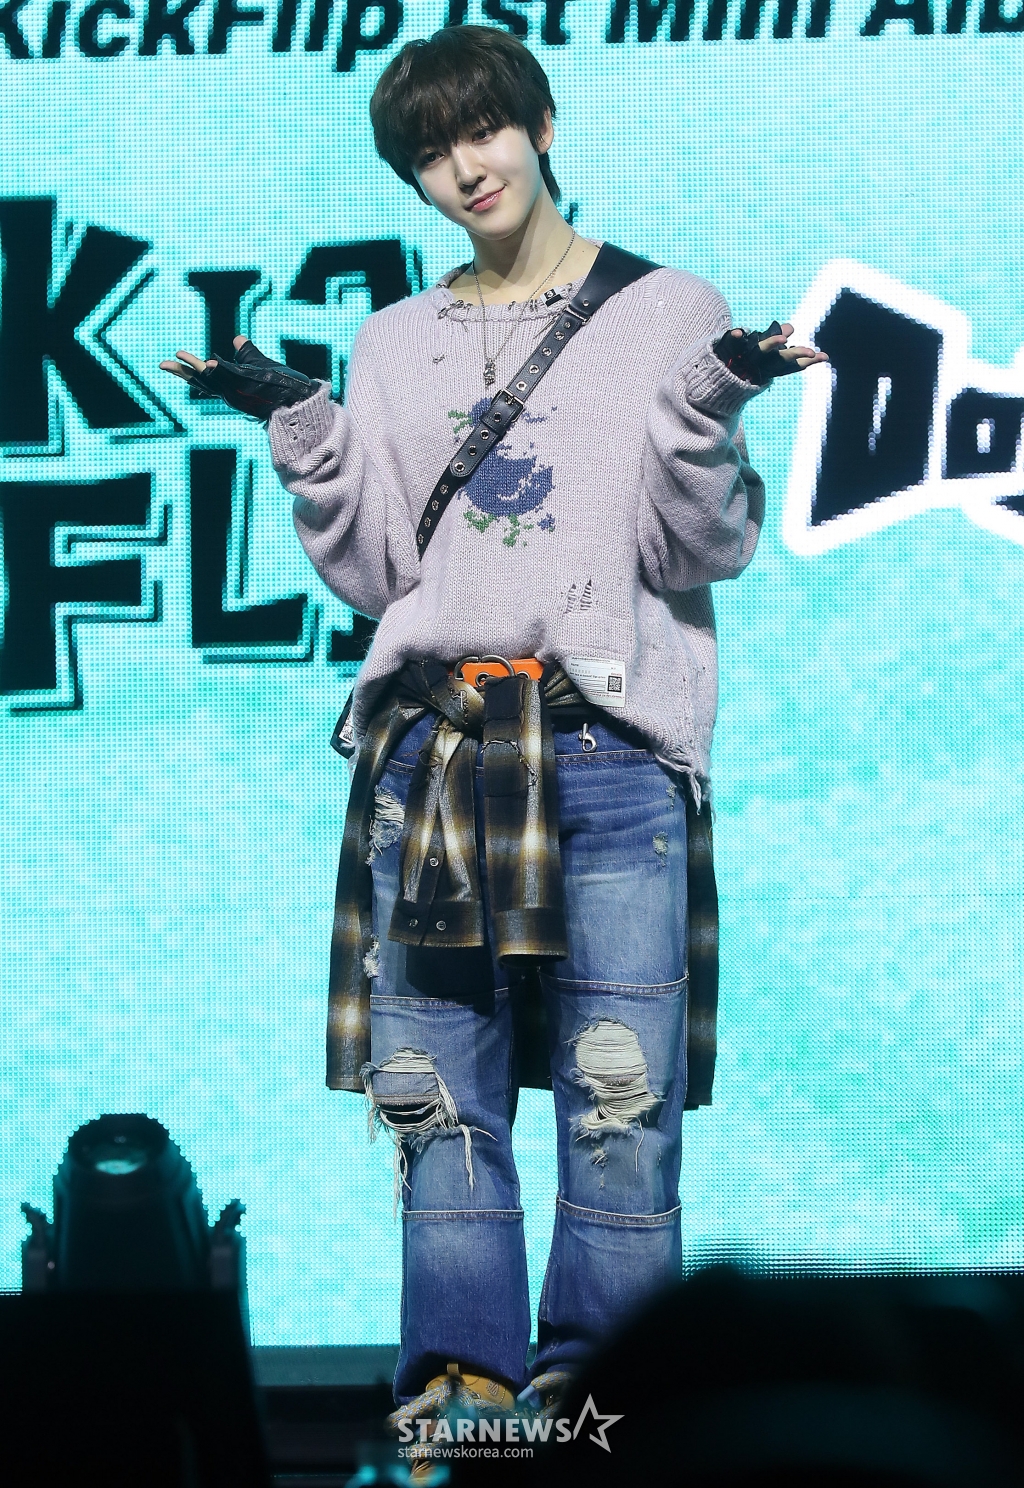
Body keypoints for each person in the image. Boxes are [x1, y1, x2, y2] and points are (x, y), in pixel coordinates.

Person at [161, 19, 826, 1451]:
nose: (465, 168)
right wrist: (311, 432)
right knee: (436, 1109)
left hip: (607, 755)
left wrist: (709, 406)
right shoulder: (396, 342)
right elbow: (379, 573)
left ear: (541, 125)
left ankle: (602, 1413)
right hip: (439, 752)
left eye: (482, 130)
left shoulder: (668, 309)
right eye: (429, 153)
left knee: (618, 1104)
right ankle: (461, 1408)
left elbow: (700, 549)